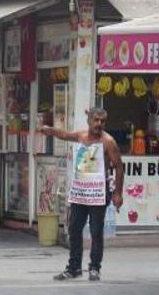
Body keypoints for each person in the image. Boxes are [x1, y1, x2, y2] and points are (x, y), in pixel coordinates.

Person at [40, 107, 124, 281]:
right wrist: (50, 131)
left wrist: (118, 193)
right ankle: (73, 267)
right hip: (80, 192)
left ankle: (94, 268)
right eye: (96, 120)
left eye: (102, 121)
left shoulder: (108, 142)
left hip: (98, 193)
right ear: (89, 121)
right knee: (74, 229)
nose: (99, 124)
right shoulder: (81, 136)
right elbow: (65, 135)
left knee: (96, 231)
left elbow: (119, 166)